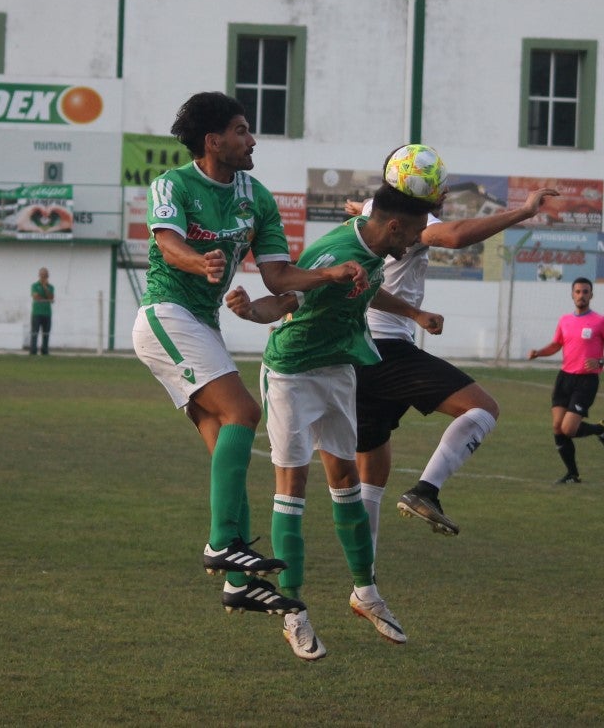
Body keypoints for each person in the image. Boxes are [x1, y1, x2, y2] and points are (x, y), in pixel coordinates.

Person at [131, 91, 369, 618]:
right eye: (241, 130)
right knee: (244, 411)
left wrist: (326, 273)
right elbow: (168, 242)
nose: (252, 139)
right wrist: (201, 264)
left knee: (223, 443)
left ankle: (238, 581)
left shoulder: (256, 197)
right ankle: (221, 543)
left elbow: (279, 274)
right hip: (166, 315)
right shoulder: (171, 184)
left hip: (202, 324)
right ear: (213, 141)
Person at [228, 182, 440, 661]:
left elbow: (368, 289)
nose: (414, 244)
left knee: (346, 481)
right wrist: (248, 312)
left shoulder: (368, 248)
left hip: (340, 369)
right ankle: (292, 612)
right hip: (294, 374)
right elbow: (283, 297)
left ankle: (365, 594)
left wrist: (414, 312)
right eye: (414, 235)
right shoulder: (334, 252)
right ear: (394, 227)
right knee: (292, 487)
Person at [343, 169, 558, 540]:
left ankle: (364, 583)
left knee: (370, 483)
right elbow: (455, 237)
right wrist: (523, 212)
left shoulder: (374, 210)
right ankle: (426, 490)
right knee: (483, 409)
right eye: (435, 184)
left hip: (357, 351)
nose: (443, 191)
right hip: (386, 349)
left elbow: (366, 211)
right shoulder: (414, 223)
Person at [527, 277, 604, 484]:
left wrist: (600, 361)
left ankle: (601, 429)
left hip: (586, 380)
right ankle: (573, 474)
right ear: (572, 294)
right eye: (578, 292)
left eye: (585, 292)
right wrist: (539, 353)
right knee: (557, 428)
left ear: (591, 295)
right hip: (564, 378)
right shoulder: (564, 320)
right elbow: (556, 345)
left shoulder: (600, 321)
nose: (581, 295)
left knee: (568, 429)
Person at [30, 267, 54, 355]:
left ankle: (45, 351)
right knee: (34, 333)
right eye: (42, 275)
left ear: (48, 276)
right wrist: (46, 299)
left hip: (47, 313)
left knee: (46, 334)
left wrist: (45, 287)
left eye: (45, 275)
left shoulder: (51, 287)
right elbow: (35, 297)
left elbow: (51, 297)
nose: (43, 277)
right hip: (36, 313)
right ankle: (33, 351)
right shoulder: (34, 286)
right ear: (39, 275)